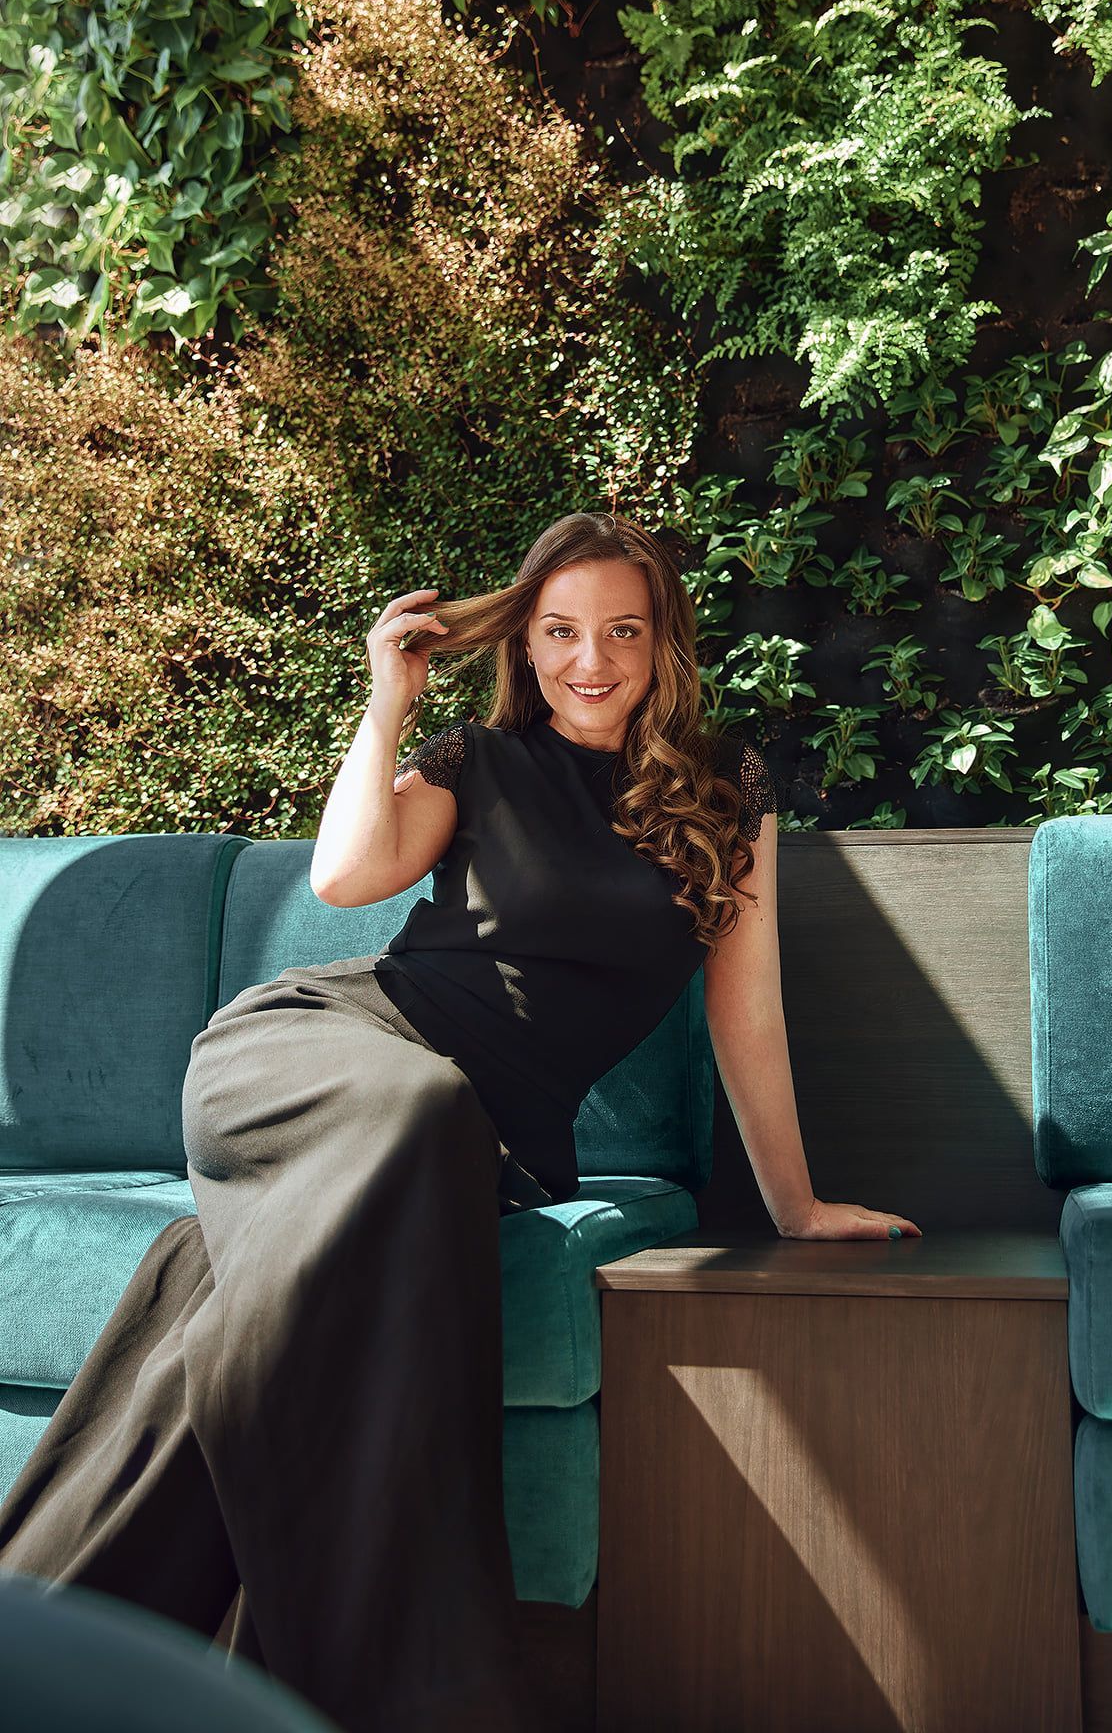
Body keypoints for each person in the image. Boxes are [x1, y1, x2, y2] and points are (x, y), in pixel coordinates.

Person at [0, 510, 920, 1733]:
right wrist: (386, 705)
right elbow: (344, 878)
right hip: (311, 1051)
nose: (590, 659)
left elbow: (746, 1013)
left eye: (622, 630)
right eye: (560, 631)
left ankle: (72, 1644)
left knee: (253, 1263)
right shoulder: (475, 759)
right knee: (424, 1102)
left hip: (461, 1136)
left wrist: (794, 1206)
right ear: (526, 643)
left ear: (664, 642)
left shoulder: (724, 791)